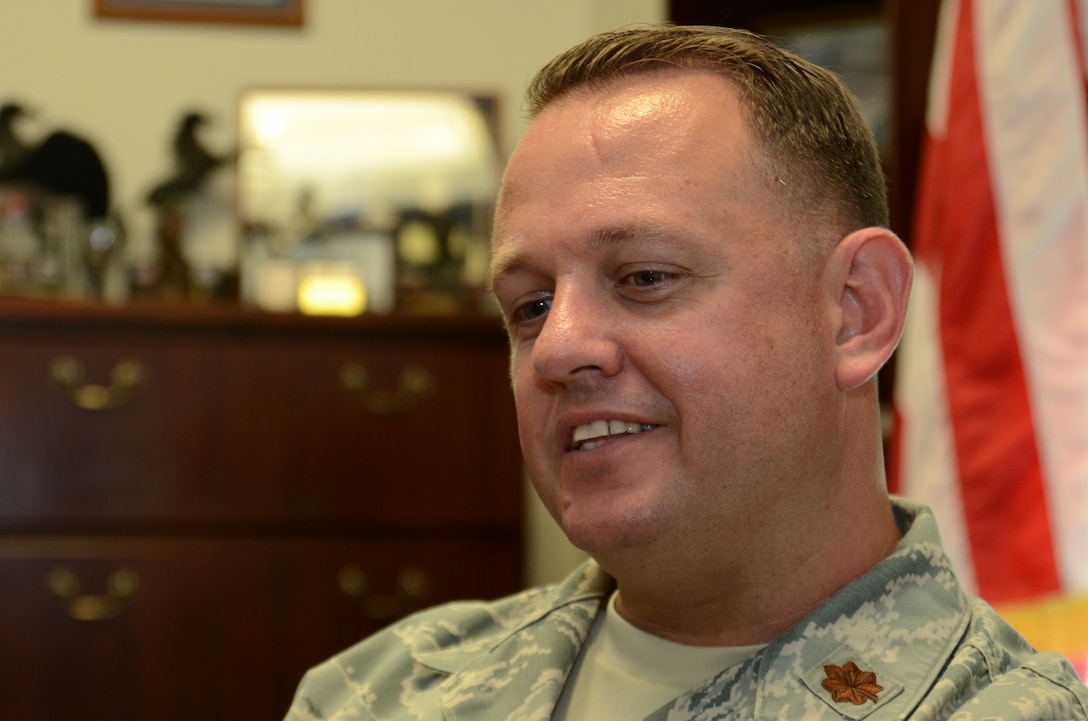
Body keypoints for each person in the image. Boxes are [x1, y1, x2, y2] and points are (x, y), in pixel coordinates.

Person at [283, 24, 1088, 720]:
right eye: (529, 306)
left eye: (644, 277)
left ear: (856, 311)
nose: (559, 346)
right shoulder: (380, 690)